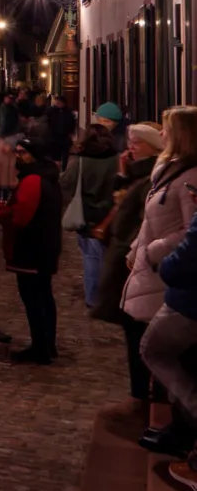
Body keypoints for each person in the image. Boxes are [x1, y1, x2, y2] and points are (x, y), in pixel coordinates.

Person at [124, 108, 197, 456]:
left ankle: (187, 424)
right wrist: (138, 247)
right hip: (157, 270)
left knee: (157, 350)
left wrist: (154, 252)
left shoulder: (189, 175)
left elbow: (187, 230)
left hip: (173, 277)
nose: (161, 136)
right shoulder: (170, 168)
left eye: (167, 130)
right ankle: (178, 430)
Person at [94, 123, 165, 411]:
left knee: (140, 334)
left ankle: (143, 398)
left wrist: (132, 250)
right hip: (128, 259)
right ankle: (141, 395)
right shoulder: (139, 175)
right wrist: (123, 175)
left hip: (136, 262)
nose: (130, 147)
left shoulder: (152, 179)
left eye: (136, 142)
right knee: (134, 331)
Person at [0, 139, 64, 364]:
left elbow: (19, 217)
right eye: (17, 151)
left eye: (23, 152)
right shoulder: (44, 177)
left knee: (35, 299)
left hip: (32, 248)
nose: (19, 156)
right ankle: (46, 344)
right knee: (43, 296)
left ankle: (41, 347)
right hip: (44, 245)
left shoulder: (33, 180)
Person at [60, 124, 119, 311]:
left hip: (87, 216)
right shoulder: (118, 160)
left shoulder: (81, 162)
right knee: (107, 258)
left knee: (91, 259)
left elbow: (65, 184)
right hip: (111, 215)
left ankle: (94, 298)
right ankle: (110, 295)